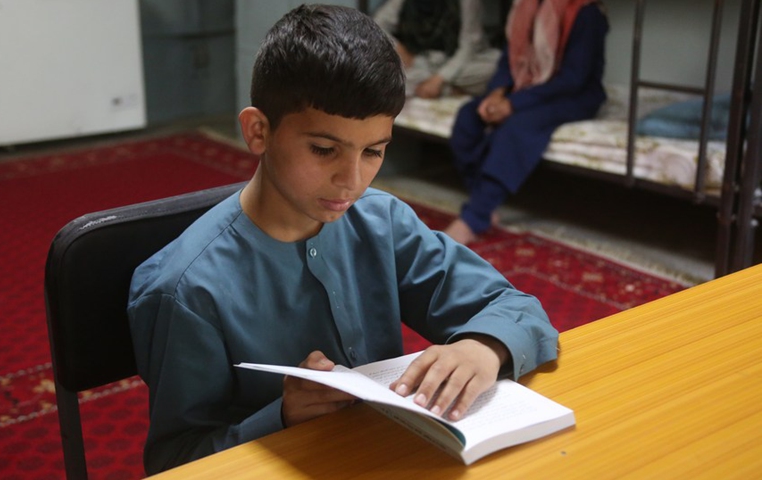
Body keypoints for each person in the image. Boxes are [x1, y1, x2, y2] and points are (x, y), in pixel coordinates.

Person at [128, 4, 559, 475]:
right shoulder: (187, 289)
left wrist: (482, 347)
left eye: (374, 151)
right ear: (258, 131)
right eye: (324, 150)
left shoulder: (382, 220)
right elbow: (174, 462)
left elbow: (517, 308)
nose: (351, 181)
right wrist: (282, 416)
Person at [444, 0, 609, 244]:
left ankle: (473, 218)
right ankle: (483, 201)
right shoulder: (525, 7)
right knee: (469, 115)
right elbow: (508, 62)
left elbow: (574, 79)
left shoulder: (586, 11)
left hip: (574, 95)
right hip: (525, 89)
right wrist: (497, 94)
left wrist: (514, 104)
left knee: (517, 128)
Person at [373, 0, 500, 98]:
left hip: (458, 62)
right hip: (421, 60)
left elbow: (468, 47)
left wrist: (439, 79)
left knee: (496, 65)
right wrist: (397, 47)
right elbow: (377, 25)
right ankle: (451, 90)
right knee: (378, 70)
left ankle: (435, 87)